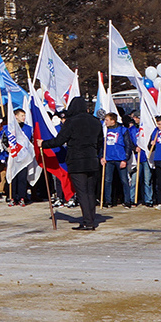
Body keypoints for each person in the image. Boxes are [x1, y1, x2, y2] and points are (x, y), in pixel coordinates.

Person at [50, 97, 103, 230]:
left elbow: (59, 141)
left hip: (77, 161)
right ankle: (91, 218)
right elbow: (100, 142)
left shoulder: (71, 122)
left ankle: (88, 221)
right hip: (92, 160)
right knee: (91, 192)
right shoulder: (96, 122)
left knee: (82, 192)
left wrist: (43, 144)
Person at [101, 112, 135, 208]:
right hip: (108, 159)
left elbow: (128, 145)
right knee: (108, 180)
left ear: (113, 121)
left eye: (107, 120)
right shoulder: (105, 131)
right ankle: (108, 200)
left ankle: (127, 201)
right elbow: (101, 146)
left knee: (124, 180)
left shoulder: (123, 130)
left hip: (120, 159)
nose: (105, 122)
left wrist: (125, 159)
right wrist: (101, 157)